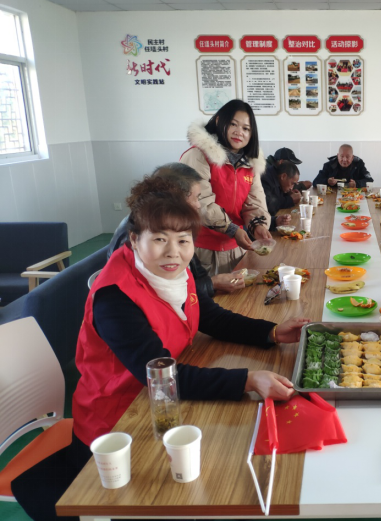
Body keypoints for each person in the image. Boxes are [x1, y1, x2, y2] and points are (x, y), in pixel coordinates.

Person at [11, 183, 310, 521]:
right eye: (159, 239)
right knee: (213, 480)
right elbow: (161, 377)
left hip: (162, 408)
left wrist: (271, 331)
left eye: (183, 240)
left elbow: (209, 316)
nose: (173, 252)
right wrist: (248, 380)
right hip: (120, 422)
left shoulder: (174, 274)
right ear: (133, 240)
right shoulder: (115, 297)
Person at [108, 164, 245, 295]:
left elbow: (196, 271)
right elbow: (160, 291)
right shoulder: (140, 232)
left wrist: (211, 282)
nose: (198, 205)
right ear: (175, 198)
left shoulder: (174, 224)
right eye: (196, 198)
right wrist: (212, 283)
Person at [180, 99, 272, 275]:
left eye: (246, 128)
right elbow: (201, 203)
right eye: (233, 124)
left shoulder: (251, 164)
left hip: (237, 248)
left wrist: (258, 226)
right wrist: (232, 230)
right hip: (201, 250)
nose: (239, 132)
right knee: (209, 291)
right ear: (218, 121)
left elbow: (255, 202)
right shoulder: (198, 155)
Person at [262, 161, 299, 232]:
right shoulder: (266, 179)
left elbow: (277, 197)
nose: (291, 188)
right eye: (292, 183)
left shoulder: (278, 179)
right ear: (283, 176)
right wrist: (290, 199)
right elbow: (269, 205)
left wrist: (288, 194)